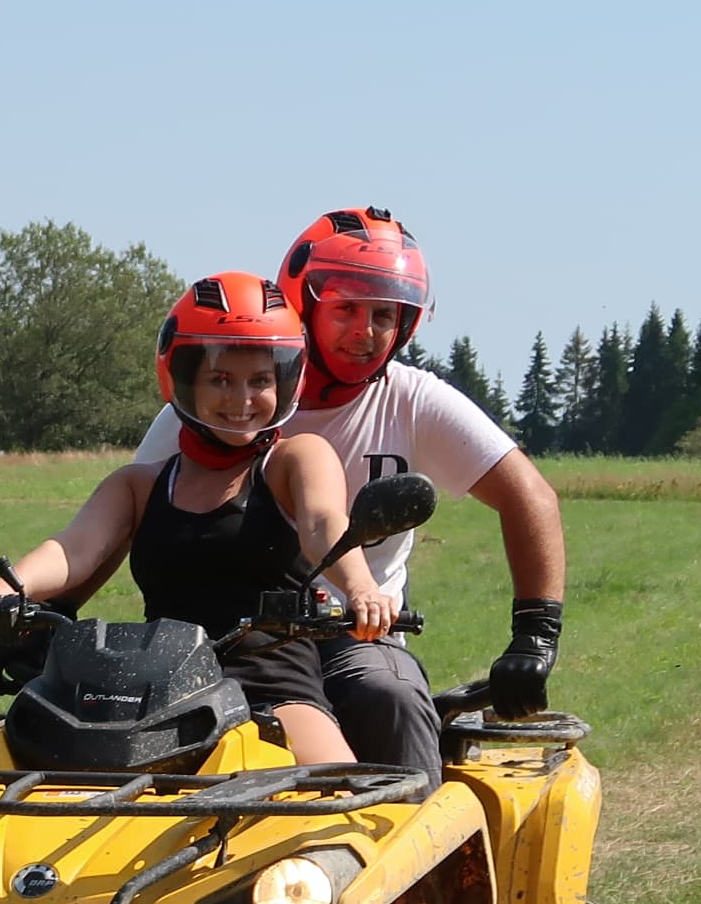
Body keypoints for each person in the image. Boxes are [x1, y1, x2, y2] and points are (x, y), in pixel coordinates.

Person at [123, 207, 570, 772]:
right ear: (306, 304)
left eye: (385, 313)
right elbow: (134, 513)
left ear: (407, 324)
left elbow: (528, 495)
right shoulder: (217, 409)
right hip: (227, 640)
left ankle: (416, 847)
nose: (366, 331)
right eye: (347, 309)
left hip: (356, 631)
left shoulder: (413, 399)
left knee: (389, 695)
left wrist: (534, 636)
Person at [0, 273, 376, 765]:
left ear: (286, 381)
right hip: (156, 692)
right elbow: (72, 549)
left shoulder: (296, 459)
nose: (242, 400)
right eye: (221, 379)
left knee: (339, 802)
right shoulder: (139, 486)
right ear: (183, 380)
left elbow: (323, 524)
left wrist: (359, 585)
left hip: (270, 687)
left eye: (260, 380)